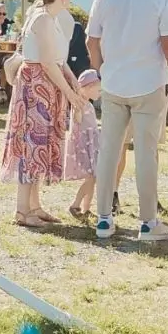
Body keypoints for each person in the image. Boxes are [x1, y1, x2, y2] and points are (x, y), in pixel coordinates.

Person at [86, 0, 168, 244]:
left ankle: (104, 218)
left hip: (113, 82)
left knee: (109, 150)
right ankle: (148, 223)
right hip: (148, 82)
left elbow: (92, 40)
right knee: (146, 153)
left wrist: (99, 70)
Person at [0, 0, 90, 225]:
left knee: (41, 144)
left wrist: (74, 84)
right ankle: (22, 210)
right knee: (32, 143)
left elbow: (59, 60)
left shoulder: (52, 19)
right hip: (37, 85)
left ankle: (34, 206)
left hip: (49, 85)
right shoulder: (42, 18)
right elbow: (48, 63)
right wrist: (69, 93)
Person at [64, 68, 103, 220]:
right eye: (98, 90)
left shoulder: (88, 104)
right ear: (88, 87)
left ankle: (87, 208)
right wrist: (78, 109)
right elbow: (77, 122)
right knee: (91, 177)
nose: (100, 93)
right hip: (84, 145)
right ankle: (75, 205)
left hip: (91, 144)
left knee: (93, 177)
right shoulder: (79, 104)